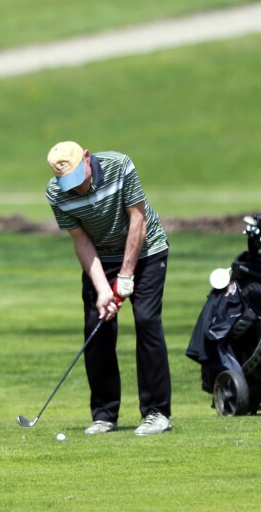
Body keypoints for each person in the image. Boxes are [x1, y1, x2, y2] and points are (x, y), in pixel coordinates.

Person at [45, 140, 172, 436]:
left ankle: (157, 413)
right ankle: (104, 414)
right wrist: (103, 289)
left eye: (80, 177)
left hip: (147, 250)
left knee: (146, 320)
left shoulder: (120, 165)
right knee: (97, 325)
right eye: (69, 183)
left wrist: (127, 275)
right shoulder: (56, 193)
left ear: (88, 158)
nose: (77, 188)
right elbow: (82, 241)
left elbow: (138, 219)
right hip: (102, 258)